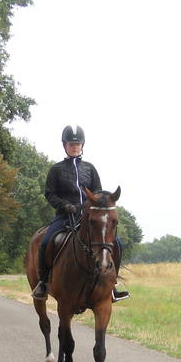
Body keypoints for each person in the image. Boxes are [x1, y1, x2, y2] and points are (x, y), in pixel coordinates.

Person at [31, 124, 129, 302]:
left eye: (77, 144)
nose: (75, 147)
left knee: (118, 243)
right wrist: (64, 205)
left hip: (89, 216)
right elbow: (50, 194)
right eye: (71, 144)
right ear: (65, 145)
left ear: (82, 145)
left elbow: (97, 193)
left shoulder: (90, 168)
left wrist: (94, 205)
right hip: (65, 216)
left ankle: (112, 284)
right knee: (46, 241)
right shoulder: (56, 170)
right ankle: (43, 283)